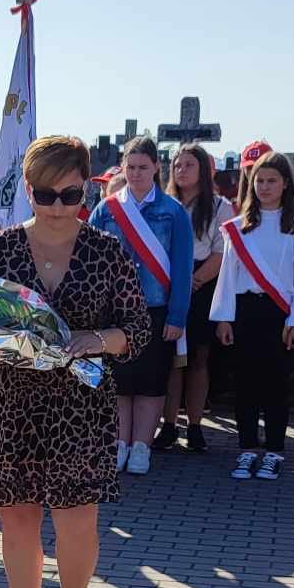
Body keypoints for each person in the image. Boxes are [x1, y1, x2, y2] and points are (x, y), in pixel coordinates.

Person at [0, 135, 151, 588]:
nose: (56, 207)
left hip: (80, 407)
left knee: (77, 521)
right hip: (11, 404)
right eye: (45, 195)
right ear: (28, 191)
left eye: (69, 195)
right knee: (18, 521)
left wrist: (98, 339)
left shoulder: (107, 251)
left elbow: (138, 328)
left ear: (85, 192)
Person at [89, 134, 193, 474]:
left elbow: (182, 267)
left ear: (156, 167)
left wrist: (177, 316)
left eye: (143, 167)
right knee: (119, 382)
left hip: (156, 307)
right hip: (115, 311)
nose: (135, 174)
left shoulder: (173, 212)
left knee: (150, 381)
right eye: (130, 167)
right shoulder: (106, 210)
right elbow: (91, 261)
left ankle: (141, 447)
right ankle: (120, 443)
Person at [211, 152, 294, 483]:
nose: (265, 187)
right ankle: (247, 448)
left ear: (286, 184)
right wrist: (224, 317)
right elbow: (228, 275)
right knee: (245, 384)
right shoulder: (238, 228)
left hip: (279, 313)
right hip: (245, 310)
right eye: (260, 180)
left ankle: (275, 451)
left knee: (276, 385)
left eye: (272, 180)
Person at [156, 142, 233, 453]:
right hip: (167, 284)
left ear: (202, 170)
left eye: (188, 165)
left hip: (201, 286)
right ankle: (169, 425)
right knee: (172, 360)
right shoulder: (163, 204)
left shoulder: (219, 206)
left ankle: (196, 426)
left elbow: (221, 252)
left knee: (199, 358)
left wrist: (194, 281)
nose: (181, 170)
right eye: (177, 165)